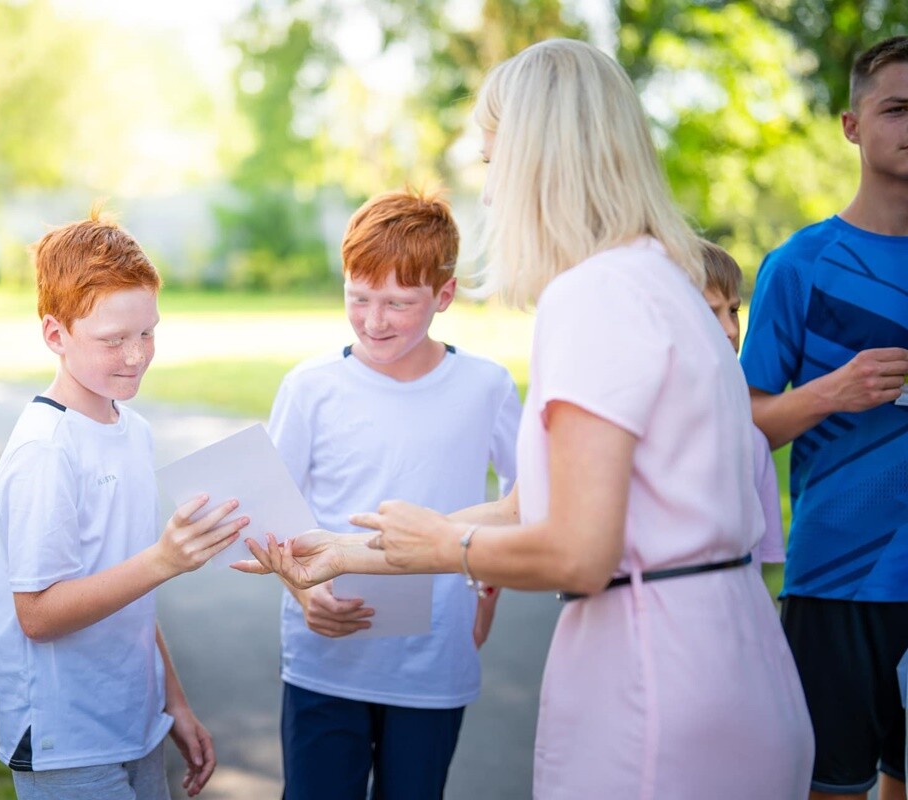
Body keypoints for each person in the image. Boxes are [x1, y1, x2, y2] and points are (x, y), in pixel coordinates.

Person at [234, 38, 813, 798]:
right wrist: (346, 553)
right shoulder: (662, 278)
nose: (489, 191)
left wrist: (451, 545)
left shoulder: (593, 295)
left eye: (489, 159)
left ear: (538, 159)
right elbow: (524, 506)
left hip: (658, 676)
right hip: (728, 651)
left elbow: (574, 549)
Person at [0, 211, 250, 800]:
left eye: (147, 333)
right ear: (55, 335)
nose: (135, 356)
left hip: (134, 726)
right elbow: (38, 614)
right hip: (66, 744)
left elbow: (127, 589)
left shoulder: (133, 430)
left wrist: (171, 701)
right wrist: (163, 559)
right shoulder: (45, 451)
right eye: (113, 340)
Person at [267, 187, 522, 800]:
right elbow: (269, 504)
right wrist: (301, 592)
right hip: (324, 660)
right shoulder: (311, 386)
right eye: (358, 298)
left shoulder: (486, 386)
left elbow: (524, 496)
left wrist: (489, 582)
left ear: (445, 295)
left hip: (433, 660)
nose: (374, 320)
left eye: (398, 303)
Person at [739, 34, 908, 800]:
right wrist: (832, 393)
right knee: (830, 787)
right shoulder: (801, 265)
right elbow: (743, 427)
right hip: (838, 578)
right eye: (896, 109)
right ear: (851, 125)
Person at [699, 239, 785, 575]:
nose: (731, 330)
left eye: (734, 311)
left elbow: (759, 571)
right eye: (709, 312)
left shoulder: (752, 442)